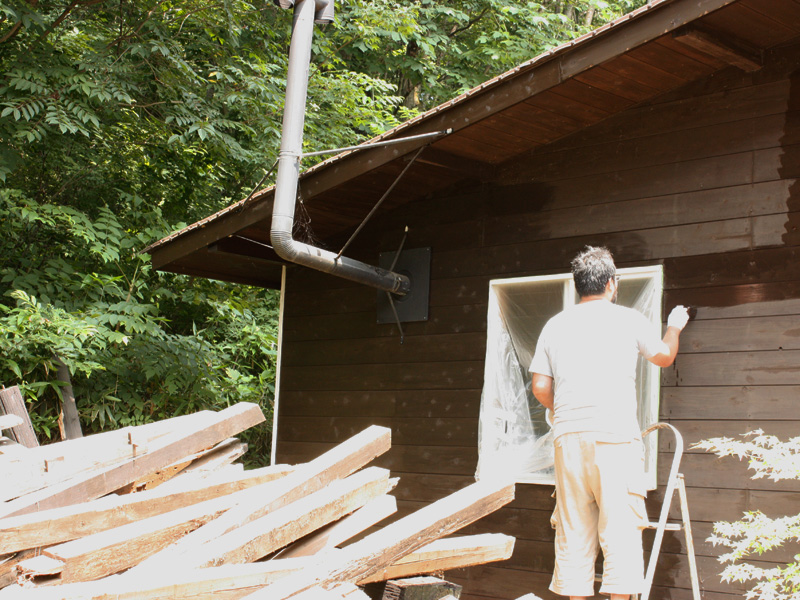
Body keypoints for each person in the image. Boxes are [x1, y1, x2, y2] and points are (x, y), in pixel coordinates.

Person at [529, 246, 689, 600]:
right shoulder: (627, 319)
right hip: (615, 439)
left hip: (568, 440)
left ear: (577, 286)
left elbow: (540, 386)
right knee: (620, 533)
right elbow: (663, 357)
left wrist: (566, 410)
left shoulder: (555, 325)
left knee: (574, 532)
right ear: (612, 284)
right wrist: (674, 327)